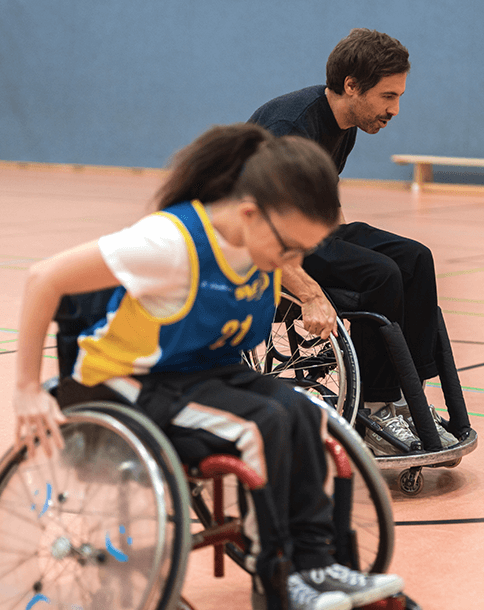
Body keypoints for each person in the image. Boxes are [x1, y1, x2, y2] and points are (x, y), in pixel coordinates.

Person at [12, 123, 403, 610]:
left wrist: (309, 292)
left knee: (305, 412)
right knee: (262, 425)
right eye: (290, 249)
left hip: (200, 372)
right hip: (122, 383)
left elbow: (278, 266)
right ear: (249, 213)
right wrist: (27, 386)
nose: (294, 261)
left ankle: (319, 562)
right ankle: (280, 572)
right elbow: (43, 277)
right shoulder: (167, 244)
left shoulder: (260, 242)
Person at [248, 28, 458, 455]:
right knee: (379, 274)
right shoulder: (289, 126)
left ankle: (404, 400)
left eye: (398, 96)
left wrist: (348, 245)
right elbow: (255, 224)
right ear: (351, 86)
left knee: (414, 258)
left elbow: (325, 198)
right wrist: (308, 293)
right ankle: (374, 407)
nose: (395, 109)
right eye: (387, 96)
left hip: (304, 232)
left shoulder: (345, 124)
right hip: (261, 244)